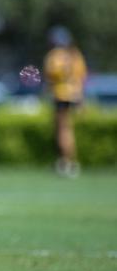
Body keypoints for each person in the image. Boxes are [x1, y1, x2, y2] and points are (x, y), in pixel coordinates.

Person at [43, 26, 87, 178]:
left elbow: (50, 77)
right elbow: (81, 77)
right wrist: (81, 98)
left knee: (62, 129)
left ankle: (66, 162)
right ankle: (69, 161)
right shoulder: (75, 55)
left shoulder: (54, 55)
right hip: (75, 94)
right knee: (68, 129)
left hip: (60, 94)